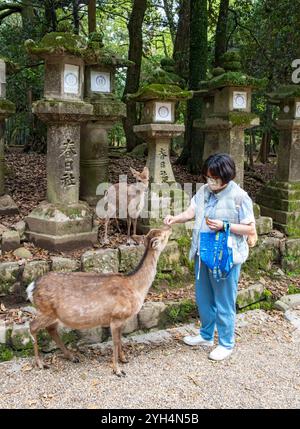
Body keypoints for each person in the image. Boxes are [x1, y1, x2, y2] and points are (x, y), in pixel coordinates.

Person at [164, 153, 256, 361]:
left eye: (215, 178)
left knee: (224, 300)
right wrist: (175, 218)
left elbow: (250, 229)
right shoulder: (204, 192)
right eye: (208, 177)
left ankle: (226, 343)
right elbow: (192, 211)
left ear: (227, 176)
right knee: (204, 298)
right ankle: (206, 335)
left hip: (226, 257)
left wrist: (226, 226)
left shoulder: (240, 197)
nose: (211, 182)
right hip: (202, 252)